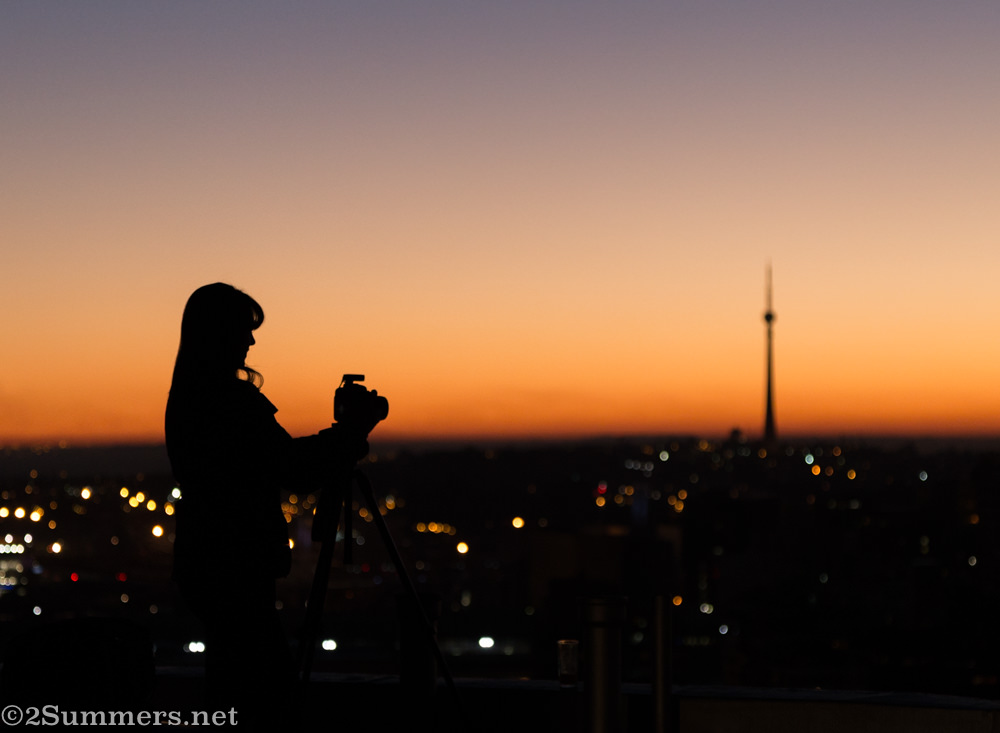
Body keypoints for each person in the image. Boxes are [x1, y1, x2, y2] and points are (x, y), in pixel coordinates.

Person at [164, 283, 363, 725]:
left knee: (231, 682)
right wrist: (346, 439)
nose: (251, 342)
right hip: (234, 565)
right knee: (262, 690)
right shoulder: (229, 402)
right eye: (243, 331)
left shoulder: (191, 398)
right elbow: (291, 465)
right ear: (220, 334)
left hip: (208, 563)